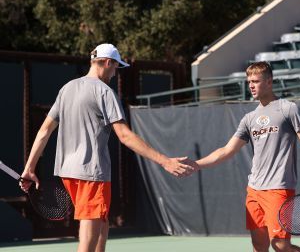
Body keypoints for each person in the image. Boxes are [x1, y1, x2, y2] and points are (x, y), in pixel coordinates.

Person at [19, 43, 194, 252]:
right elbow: (124, 135)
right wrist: (165, 161)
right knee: (89, 238)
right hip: (91, 173)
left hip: (68, 173)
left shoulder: (66, 89)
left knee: (101, 223)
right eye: (115, 68)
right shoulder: (105, 92)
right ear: (108, 62)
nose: (114, 74)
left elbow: (44, 132)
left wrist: (29, 168)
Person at [190, 61, 300, 252]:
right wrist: (196, 164)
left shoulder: (288, 109)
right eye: (248, 81)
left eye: (256, 81)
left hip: (279, 189)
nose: (251, 85)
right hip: (254, 191)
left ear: (269, 82)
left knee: (281, 246)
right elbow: (226, 150)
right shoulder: (249, 119)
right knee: (259, 246)